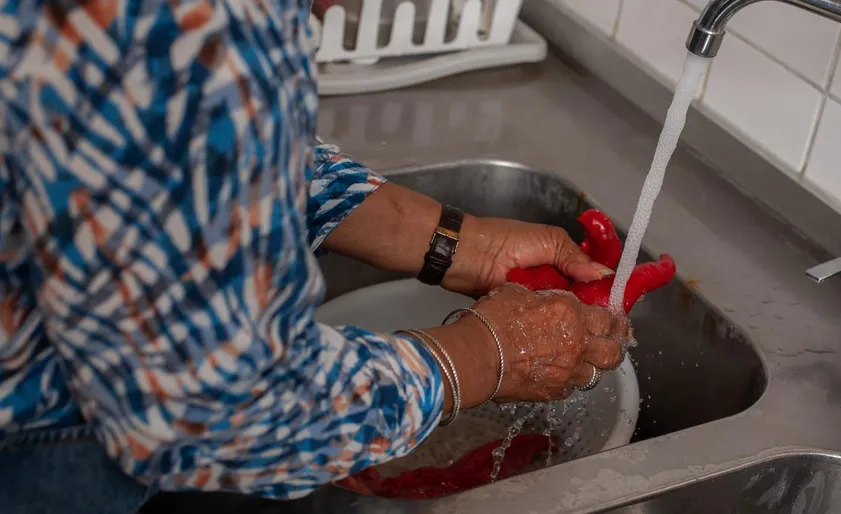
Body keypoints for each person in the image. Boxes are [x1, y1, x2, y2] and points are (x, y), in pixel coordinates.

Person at [0, 1, 630, 513]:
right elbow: (220, 411)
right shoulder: (209, 22)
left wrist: (466, 246)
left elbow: (204, 161)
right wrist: (485, 356)